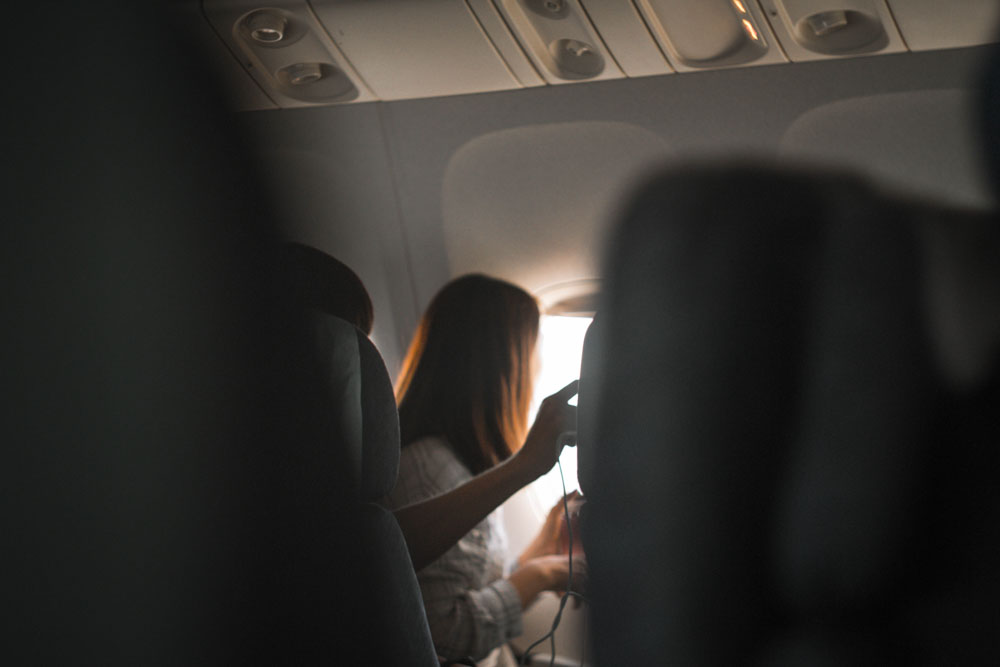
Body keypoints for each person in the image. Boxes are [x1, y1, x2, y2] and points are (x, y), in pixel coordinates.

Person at [386, 274, 585, 667]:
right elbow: (446, 636)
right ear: (500, 366)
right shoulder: (429, 469)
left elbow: (476, 587)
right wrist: (545, 575)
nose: (537, 367)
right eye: (531, 353)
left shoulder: (457, 461)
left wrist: (542, 547)